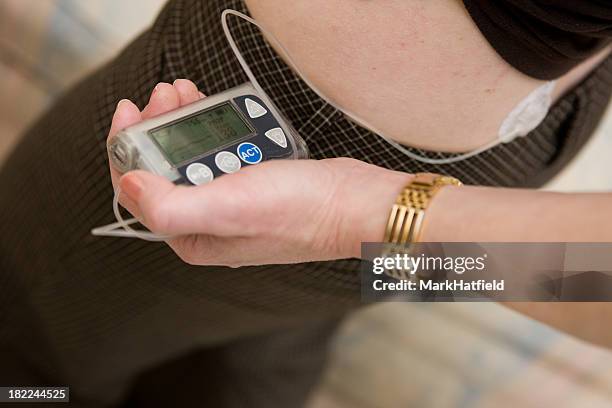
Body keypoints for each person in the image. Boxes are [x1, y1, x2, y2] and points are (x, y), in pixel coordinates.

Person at [1, 0, 611, 406]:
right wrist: (372, 220)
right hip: (513, 144)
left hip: (313, 97)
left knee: (26, 334)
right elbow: (592, 275)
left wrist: (361, 217)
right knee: (269, 335)